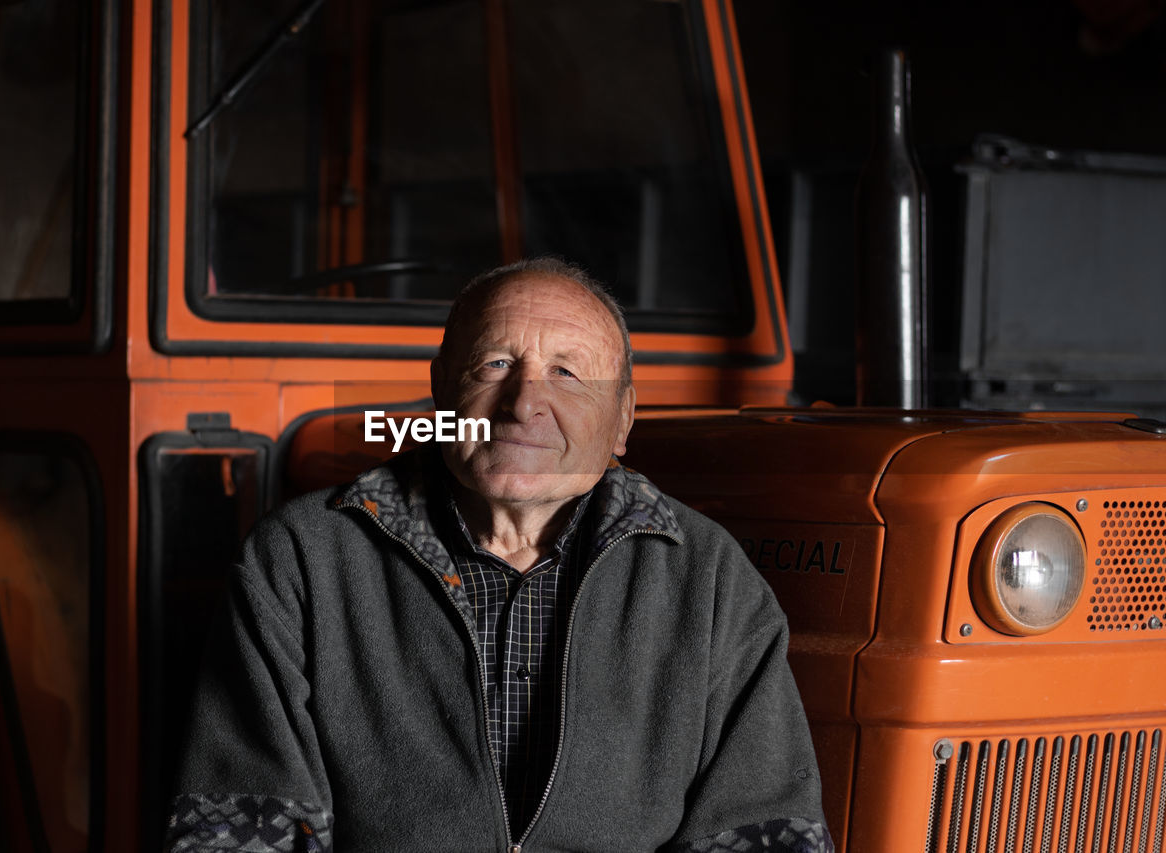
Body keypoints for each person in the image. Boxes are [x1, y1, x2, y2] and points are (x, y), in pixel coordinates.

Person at [166, 258, 832, 852]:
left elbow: (763, 836)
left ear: (623, 419)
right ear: (441, 390)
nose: (523, 404)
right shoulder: (302, 561)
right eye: (493, 365)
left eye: (568, 373)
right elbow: (239, 829)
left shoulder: (710, 581)